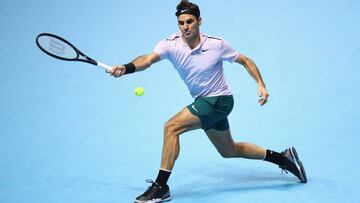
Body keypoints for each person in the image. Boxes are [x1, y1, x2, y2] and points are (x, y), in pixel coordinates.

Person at [108, 1, 307, 202]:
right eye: (181, 23)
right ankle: (284, 158)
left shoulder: (216, 44)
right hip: (204, 101)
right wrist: (126, 67)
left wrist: (261, 85)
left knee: (171, 127)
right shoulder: (170, 44)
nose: (185, 27)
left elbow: (245, 60)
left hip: (220, 100)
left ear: (199, 21)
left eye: (189, 22)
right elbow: (147, 59)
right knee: (229, 150)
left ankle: (161, 186)